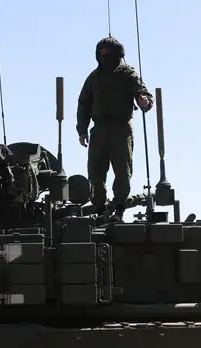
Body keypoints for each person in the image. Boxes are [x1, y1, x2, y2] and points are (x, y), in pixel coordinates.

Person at [75, 36, 153, 219]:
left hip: (121, 130)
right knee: (95, 173)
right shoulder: (94, 78)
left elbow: (143, 95)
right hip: (99, 130)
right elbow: (84, 104)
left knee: (123, 173)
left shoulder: (127, 73)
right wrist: (82, 130)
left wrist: (144, 102)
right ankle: (100, 208)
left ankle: (118, 208)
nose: (104, 56)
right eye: (101, 53)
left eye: (108, 52)